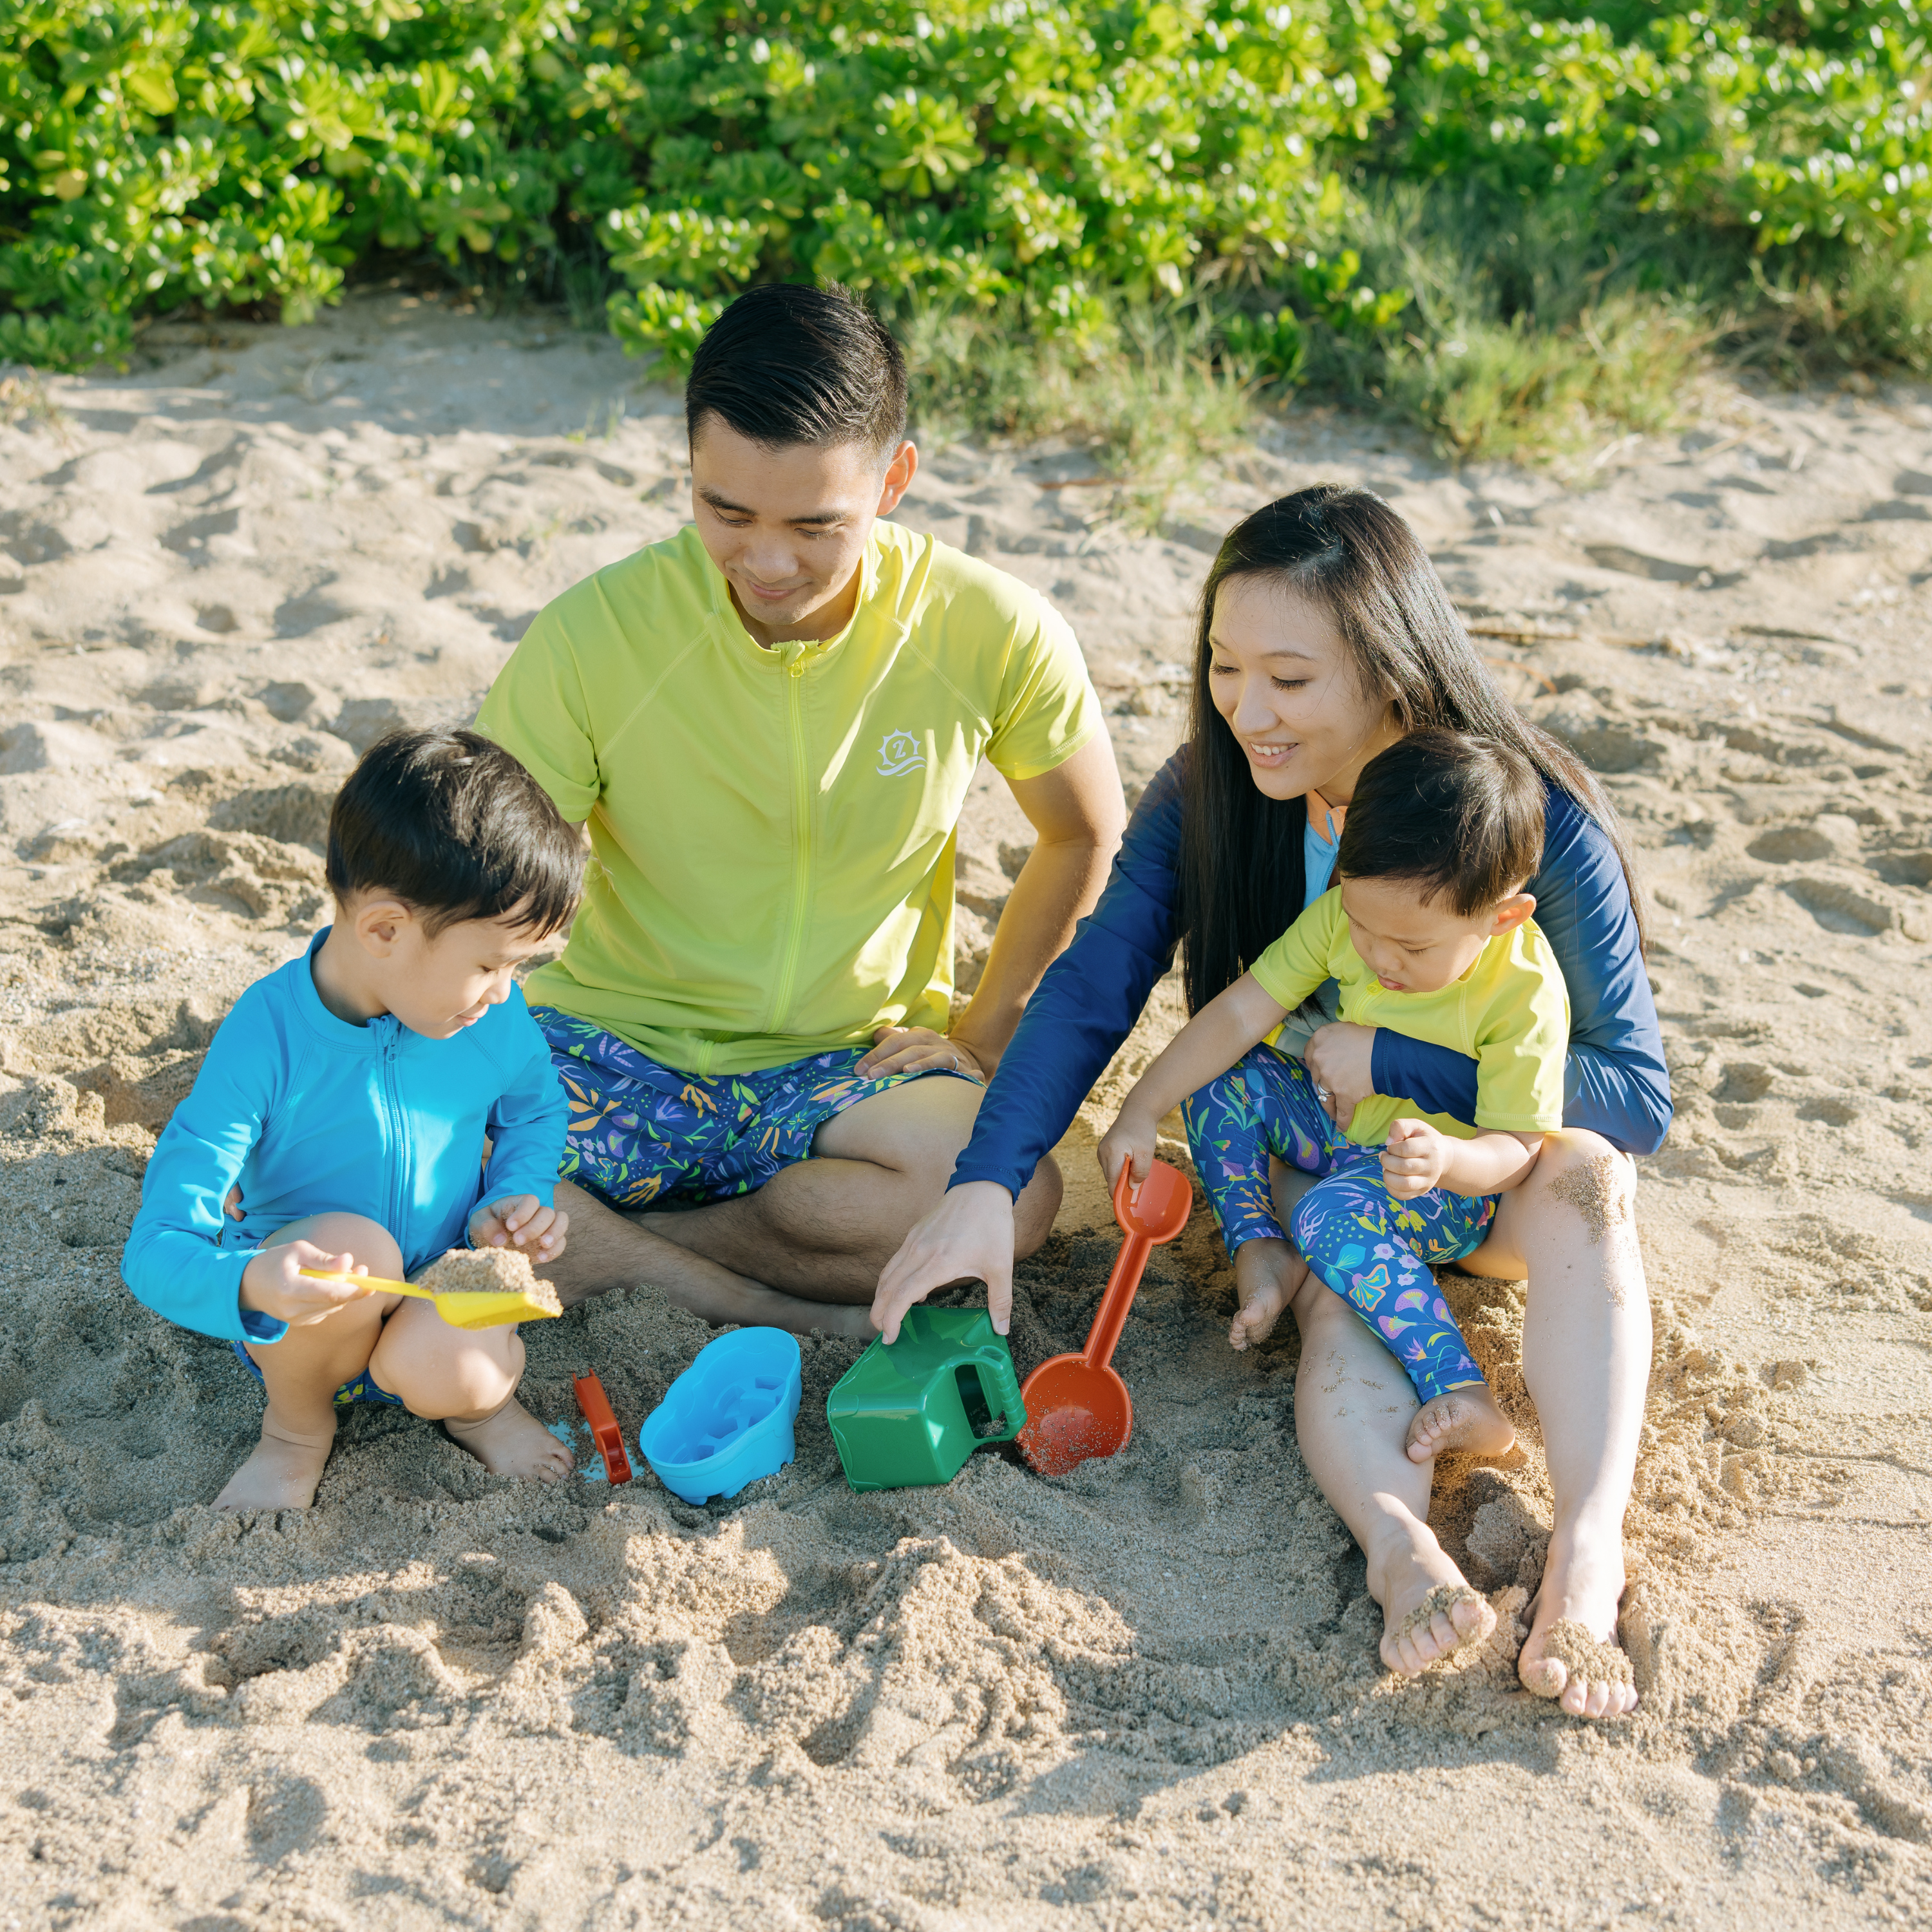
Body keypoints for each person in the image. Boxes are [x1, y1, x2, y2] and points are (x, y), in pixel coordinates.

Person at [874, 486, 1671, 1720]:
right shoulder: (1214, 791)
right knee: (1342, 1313)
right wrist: (988, 1179)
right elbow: (1096, 987)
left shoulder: (1517, 816)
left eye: (1290, 680)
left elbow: (1637, 1094)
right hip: (1327, 1179)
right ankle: (1401, 1553)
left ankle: (1588, 1554)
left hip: (1499, 1182)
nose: (1248, 709)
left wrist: (1404, 1072)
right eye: (1225, 666)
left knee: (1593, 1176)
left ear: (1393, 673)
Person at [475, 283, 1124, 1333]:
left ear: (895, 479)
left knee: (1011, 1197)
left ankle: (609, 1249)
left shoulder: (990, 628)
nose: (766, 563)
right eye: (723, 512)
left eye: (816, 525)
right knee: (403, 1151)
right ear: (689, 469)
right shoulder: (596, 635)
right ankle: (721, 1272)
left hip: (849, 1060)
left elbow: (1085, 830)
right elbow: (469, 872)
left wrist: (988, 1031)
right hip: (610, 1043)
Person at [122, 728, 585, 1511]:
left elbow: (534, 1107)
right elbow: (157, 1247)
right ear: (384, 931)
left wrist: (512, 1194)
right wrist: (252, 1283)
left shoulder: (487, 1019)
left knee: (469, 1376)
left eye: (519, 969)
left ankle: (483, 1413)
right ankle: (296, 1433)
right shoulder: (267, 1036)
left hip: (435, 1304)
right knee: (351, 1245)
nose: (506, 992)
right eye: (488, 965)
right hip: (304, 1324)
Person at [1099, 730, 1566, 1464]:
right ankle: (1259, 1246)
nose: (1379, 959)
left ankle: (1465, 1389)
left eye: (1412, 949)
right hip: (1343, 1129)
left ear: (1501, 917)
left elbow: (1518, 1152)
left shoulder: (1525, 993)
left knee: (1329, 1212)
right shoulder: (1353, 914)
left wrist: (1446, 1159)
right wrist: (1139, 1110)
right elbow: (1239, 1012)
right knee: (1225, 1081)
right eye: (1362, 926)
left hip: (1443, 1189)